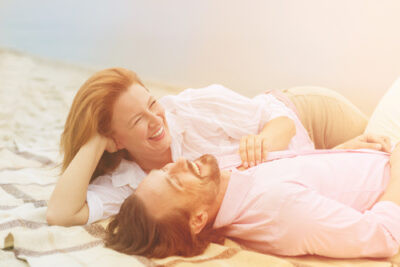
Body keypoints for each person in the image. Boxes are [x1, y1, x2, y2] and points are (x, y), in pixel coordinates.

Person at [46, 67, 369, 226]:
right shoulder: (131, 184)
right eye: (136, 121)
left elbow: (278, 117)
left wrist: (263, 146)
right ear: (116, 142)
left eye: (152, 103)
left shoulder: (194, 107)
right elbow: (61, 214)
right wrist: (95, 139)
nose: (156, 120)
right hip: (318, 167)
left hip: (310, 115)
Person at [104, 133, 400, 259]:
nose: (179, 164)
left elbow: (304, 182)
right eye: (174, 182)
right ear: (197, 220)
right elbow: (383, 235)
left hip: (377, 153)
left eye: (165, 170)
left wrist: (343, 152)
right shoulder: (280, 212)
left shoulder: (224, 180)